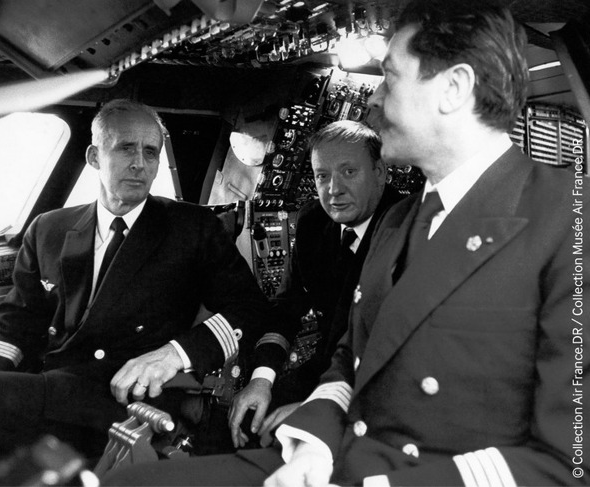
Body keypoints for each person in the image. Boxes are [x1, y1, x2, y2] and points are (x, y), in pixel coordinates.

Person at [103, 1, 589, 485]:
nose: (374, 98)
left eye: (391, 77)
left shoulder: (567, 218)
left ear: (454, 88)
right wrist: (315, 440)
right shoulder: (400, 220)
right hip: (343, 455)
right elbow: (350, 358)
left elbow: (570, 462)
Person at [0, 99, 273, 461]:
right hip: (51, 384)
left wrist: (173, 355)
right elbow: (14, 327)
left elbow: (250, 308)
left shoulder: (192, 229)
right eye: (126, 148)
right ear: (94, 156)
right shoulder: (49, 228)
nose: (139, 164)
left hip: (129, 398)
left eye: (150, 152)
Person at [228, 120, 403, 449]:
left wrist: (326, 406)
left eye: (349, 172)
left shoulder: (409, 230)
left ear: (380, 172)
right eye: (322, 175)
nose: (333, 189)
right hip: (325, 368)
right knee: (253, 425)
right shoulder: (313, 223)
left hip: (381, 389)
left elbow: (406, 351)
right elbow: (287, 307)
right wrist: (261, 379)